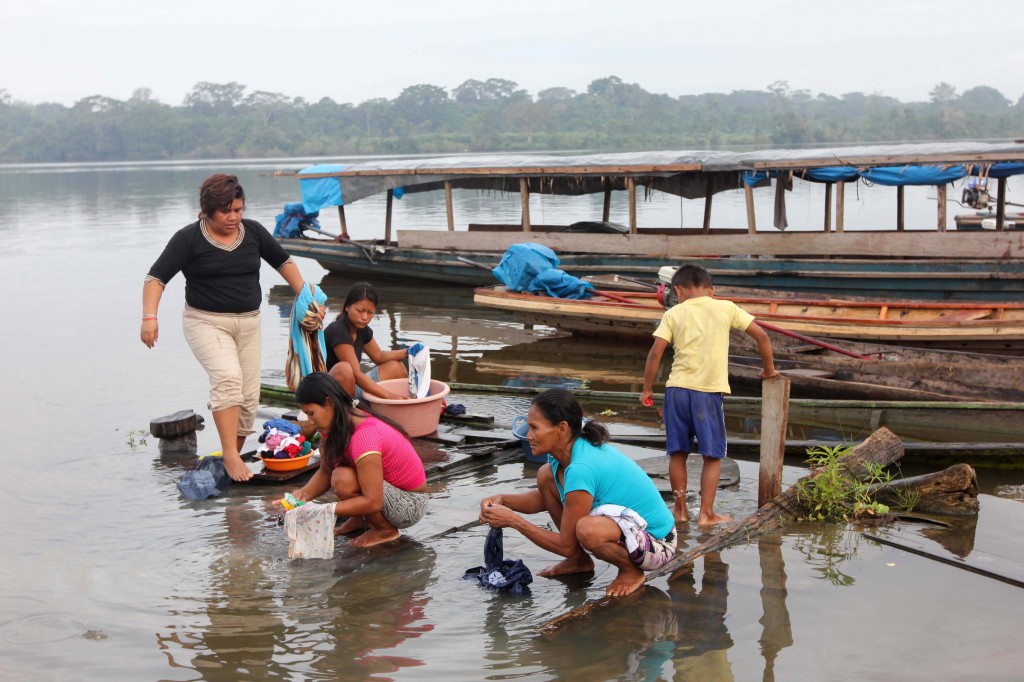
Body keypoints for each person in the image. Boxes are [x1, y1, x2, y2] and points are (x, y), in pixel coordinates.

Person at [141, 173, 322, 483]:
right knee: (228, 380)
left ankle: (231, 460)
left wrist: (306, 298)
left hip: (249, 323)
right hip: (205, 322)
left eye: (238, 210)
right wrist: (149, 317)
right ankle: (230, 455)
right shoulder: (188, 239)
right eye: (226, 211)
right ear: (207, 210)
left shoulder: (251, 232)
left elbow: (284, 263)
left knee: (249, 397)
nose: (234, 217)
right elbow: (155, 278)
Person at [479, 389, 676, 597]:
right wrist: (502, 500)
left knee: (587, 530)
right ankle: (578, 560)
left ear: (562, 428)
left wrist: (514, 521)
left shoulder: (581, 468)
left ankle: (630, 571)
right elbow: (545, 498)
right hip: (630, 531)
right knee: (545, 475)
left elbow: (565, 545)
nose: (528, 435)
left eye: (535, 428)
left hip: (659, 544)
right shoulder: (562, 454)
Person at [640, 263, 779, 526]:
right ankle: (706, 514)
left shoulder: (674, 312)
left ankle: (679, 511)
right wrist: (768, 370)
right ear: (712, 290)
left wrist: (647, 389)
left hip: (677, 390)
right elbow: (761, 336)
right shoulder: (725, 307)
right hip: (708, 393)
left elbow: (656, 352)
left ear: (677, 290)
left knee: (677, 453)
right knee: (712, 455)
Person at [284, 372, 428, 547]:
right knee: (339, 475)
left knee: (343, 479)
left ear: (329, 403)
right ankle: (364, 520)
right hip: (387, 496)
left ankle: (385, 531)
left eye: (311, 413)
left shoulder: (364, 436)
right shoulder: (332, 429)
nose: (310, 421)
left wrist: (322, 510)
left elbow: (372, 500)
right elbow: (325, 471)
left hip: (411, 504)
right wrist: (301, 497)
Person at [324, 282, 410, 400]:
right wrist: (390, 396)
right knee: (344, 369)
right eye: (360, 311)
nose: (365, 317)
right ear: (347, 306)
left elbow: (379, 356)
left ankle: (401, 404)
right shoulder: (338, 331)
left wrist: (408, 352)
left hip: (353, 387)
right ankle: (349, 410)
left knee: (397, 367)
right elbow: (356, 374)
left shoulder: (362, 329)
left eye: (370, 312)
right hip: (332, 393)